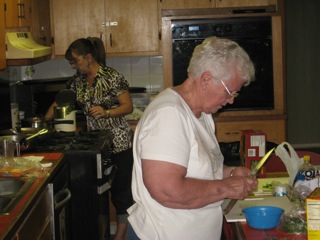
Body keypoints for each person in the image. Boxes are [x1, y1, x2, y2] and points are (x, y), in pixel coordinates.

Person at [127, 36, 258, 240]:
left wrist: (230, 173)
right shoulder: (168, 114)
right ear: (206, 79)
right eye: (229, 91)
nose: (231, 100)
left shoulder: (203, 114)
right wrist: (225, 188)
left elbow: (198, 169)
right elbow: (166, 190)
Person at [45, 37, 134, 240]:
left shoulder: (112, 77)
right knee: (98, 192)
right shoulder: (78, 81)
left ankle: (120, 235)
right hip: (95, 145)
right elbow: (60, 101)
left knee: (122, 193)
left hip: (119, 143)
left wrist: (107, 112)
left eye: (75, 61)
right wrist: (44, 122)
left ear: (88, 57)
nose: (73, 65)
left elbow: (127, 106)